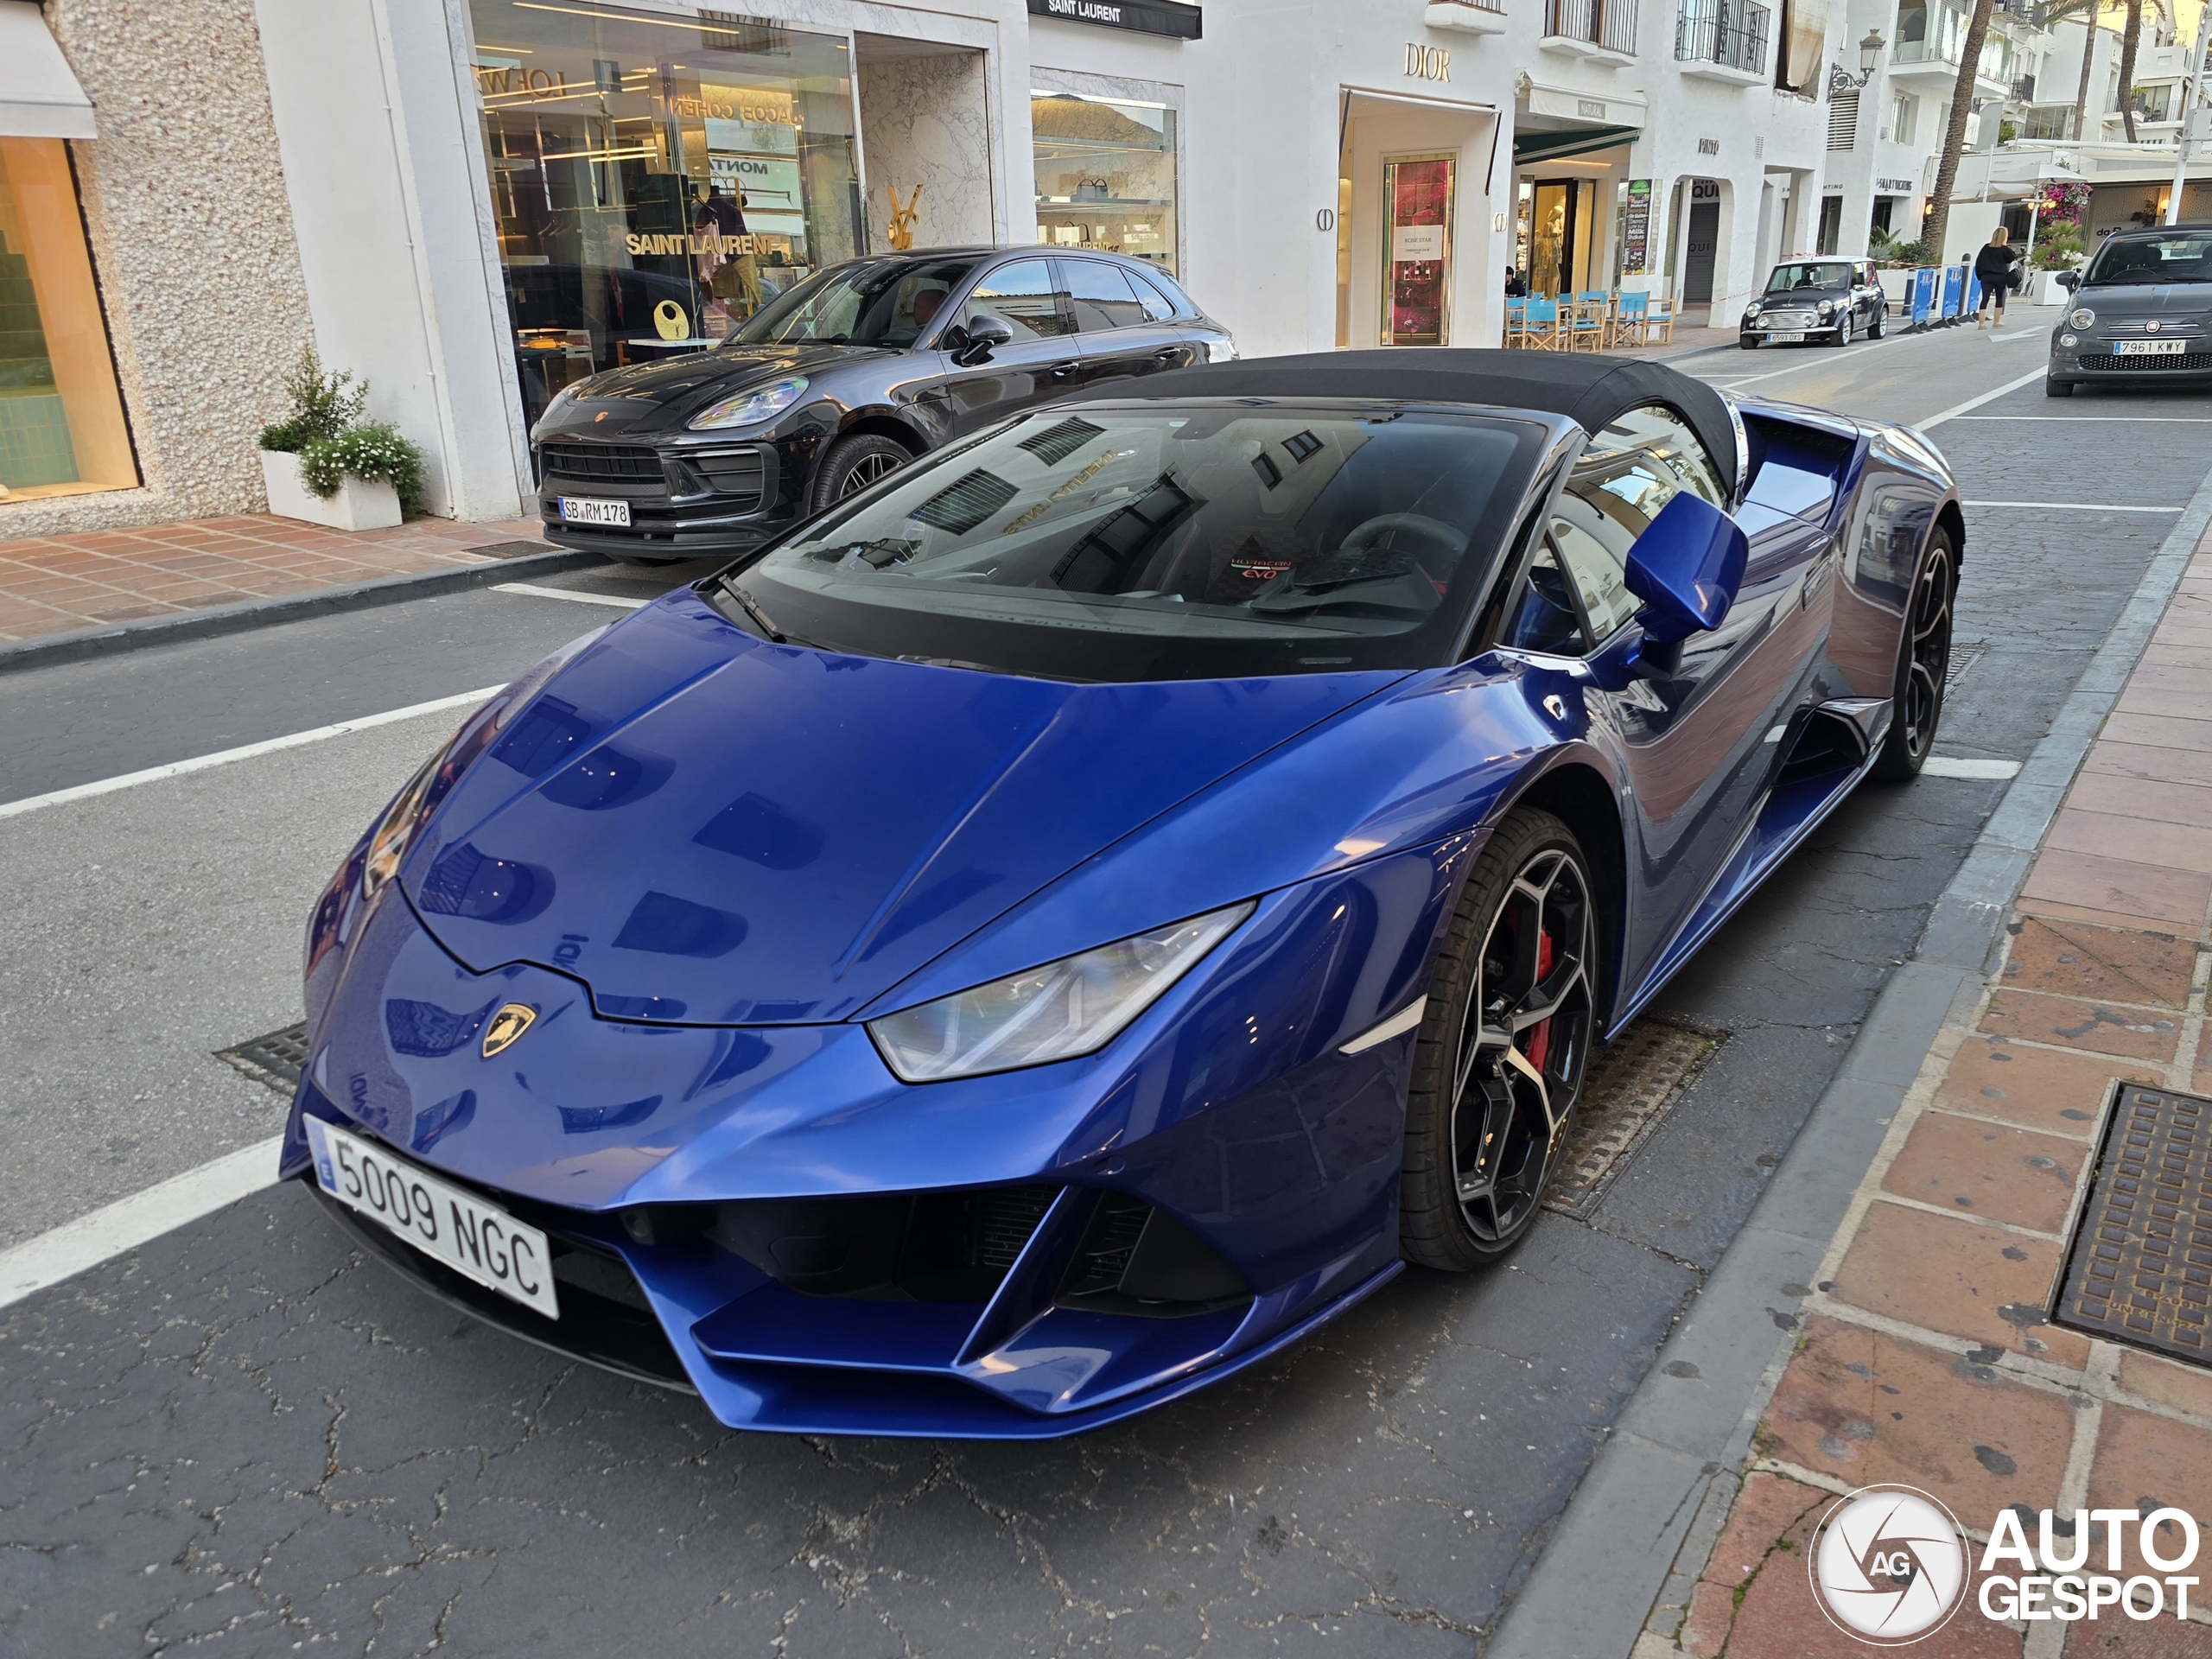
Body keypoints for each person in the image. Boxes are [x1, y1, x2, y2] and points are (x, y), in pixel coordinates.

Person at [1974, 226, 2019, 331]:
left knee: (1985, 299)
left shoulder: (1986, 248)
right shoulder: (2004, 250)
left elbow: (1979, 262)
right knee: (1999, 298)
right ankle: (1997, 321)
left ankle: (1981, 324)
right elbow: (2012, 257)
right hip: (2000, 276)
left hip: (1986, 276)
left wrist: (1980, 276)